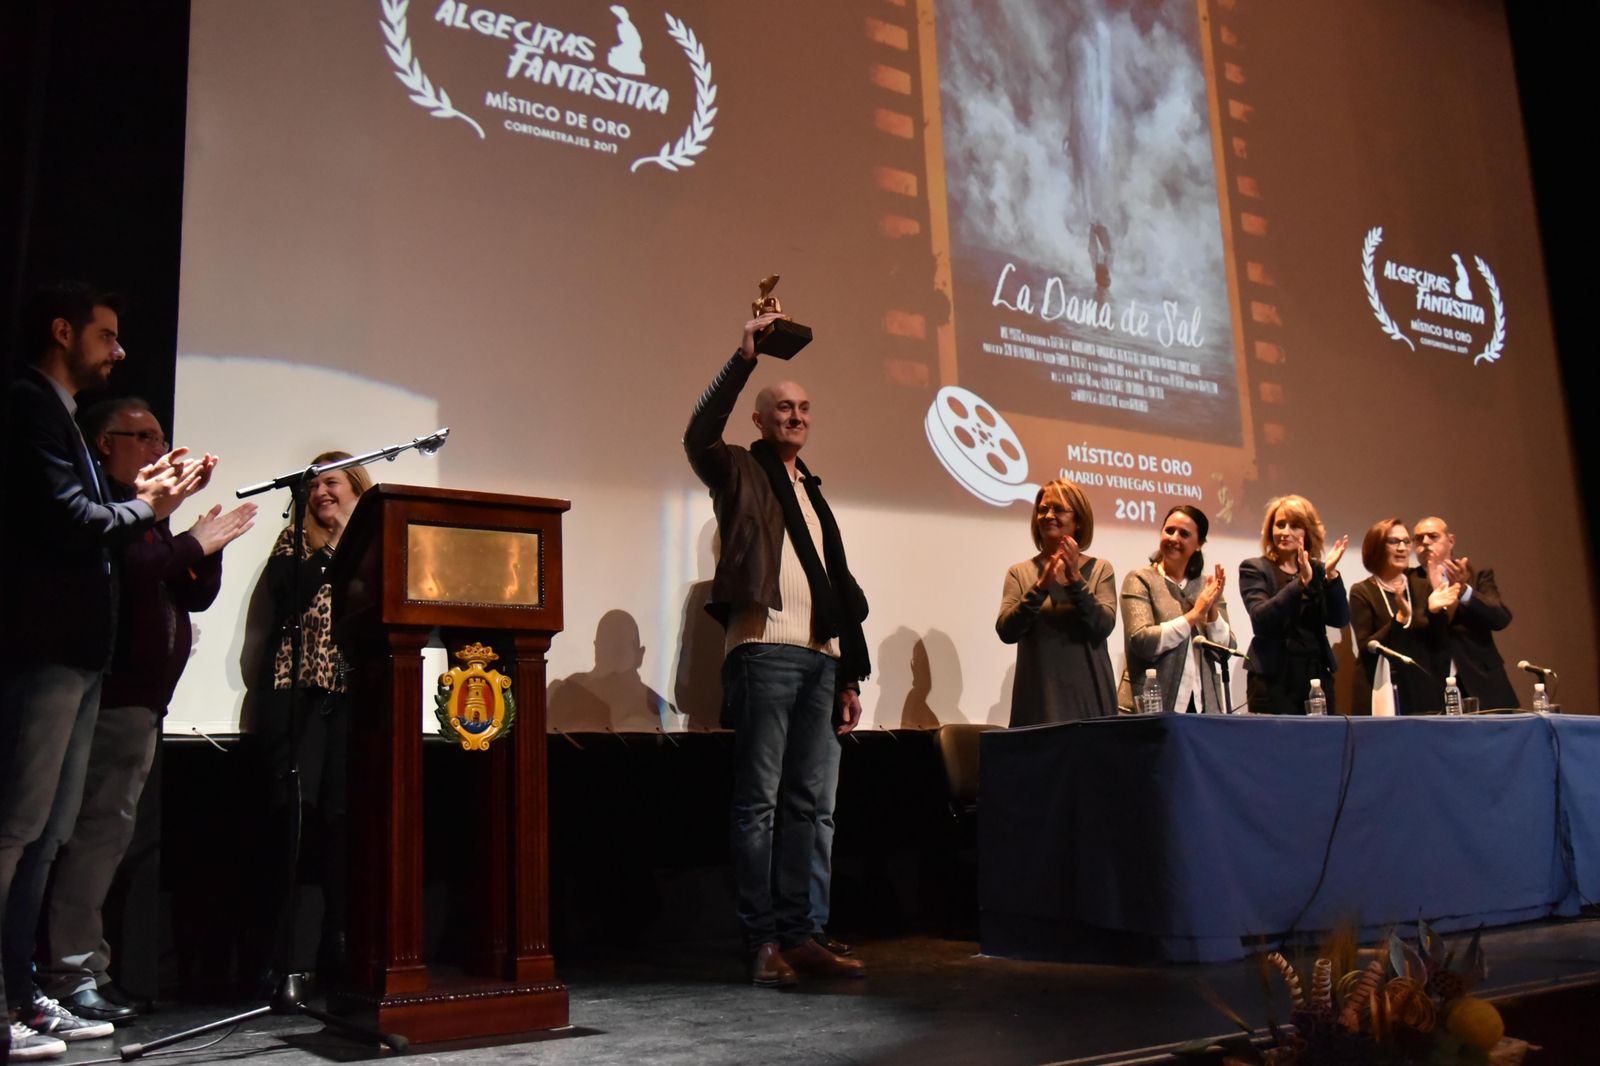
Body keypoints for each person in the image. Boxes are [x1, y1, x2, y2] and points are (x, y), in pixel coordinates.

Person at [2, 282, 208, 1058]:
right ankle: (8, 997)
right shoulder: (31, 405)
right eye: (108, 336)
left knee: (47, 835)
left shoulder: (58, 420)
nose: (120, 351)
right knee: (19, 830)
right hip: (47, 653)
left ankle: (25, 994)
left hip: (81, 662)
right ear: (63, 330)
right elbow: (75, 524)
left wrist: (157, 504)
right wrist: (155, 510)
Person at [37, 399, 255, 1024]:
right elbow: (134, 571)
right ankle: (71, 971)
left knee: (108, 841)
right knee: (88, 839)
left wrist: (203, 546)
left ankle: (86, 967)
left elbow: (196, 593)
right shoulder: (105, 508)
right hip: (110, 699)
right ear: (104, 443)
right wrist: (187, 537)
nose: (160, 448)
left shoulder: (149, 518)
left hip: (141, 706)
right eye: (143, 436)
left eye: (162, 436)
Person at [684, 311, 870, 987]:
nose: (795, 416)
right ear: (759, 420)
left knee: (812, 807)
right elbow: (698, 433)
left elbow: (833, 590)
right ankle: (764, 941)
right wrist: (743, 363)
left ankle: (804, 932)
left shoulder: (813, 494)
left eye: (804, 408)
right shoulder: (737, 470)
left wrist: (848, 672)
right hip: (764, 652)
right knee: (759, 803)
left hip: (822, 661)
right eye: (782, 408)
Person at [257, 452, 370, 983]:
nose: (321, 492)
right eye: (314, 486)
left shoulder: (377, 549)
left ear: (356, 487)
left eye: (332, 483)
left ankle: (338, 943)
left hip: (354, 696)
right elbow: (289, 596)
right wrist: (332, 547)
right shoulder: (295, 544)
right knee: (294, 818)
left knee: (342, 820)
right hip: (297, 695)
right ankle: (284, 952)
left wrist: (356, 541)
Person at [995, 478, 1117, 725]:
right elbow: (1007, 631)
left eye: (1058, 509)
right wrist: (1041, 586)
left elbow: (1103, 626)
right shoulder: (1020, 573)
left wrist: (1074, 580)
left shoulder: (1100, 569)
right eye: (1042, 509)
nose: (1048, 515)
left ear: (1078, 521)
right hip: (1039, 702)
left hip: (1090, 701)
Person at [1117, 505, 1236, 714]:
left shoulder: (1206, 585)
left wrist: (1211, 609)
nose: (1174, 538)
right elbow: (1141, 641)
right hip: (1151, 709)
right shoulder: (1140, 579)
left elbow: (1225, 652)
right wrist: (1194, 615)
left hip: (1202, 707)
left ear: (1199, 544)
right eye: (1169, 530)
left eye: (1184, 533)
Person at [1238, 495, 1351, 715]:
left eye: (1295, 526)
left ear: (1307, 532)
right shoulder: (1255, 568)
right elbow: (1261, 619)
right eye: (1280, 525)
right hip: (1273, 680)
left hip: (1316, 677)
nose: (1285, 532)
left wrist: (1330, 575)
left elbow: (1340, 618)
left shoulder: (1318, 569)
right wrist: (1301, 583)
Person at [1349, 518, 1458, 715]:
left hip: (1420, 691)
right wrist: (1398, 619)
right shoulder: (1362, 591)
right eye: (1394, 542)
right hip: (1381, 690)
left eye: (1406, 542)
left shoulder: (1422, 586)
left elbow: (1440, 646)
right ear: (1376, 548)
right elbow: (1367, 647)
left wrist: (1435, 612)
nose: (1402, 548)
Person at [1412, 516, 1518, 710]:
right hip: (1434, 683)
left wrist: (1464, 591)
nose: (1425, 542)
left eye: (1432, 536)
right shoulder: (1408, 582)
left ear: (1451, 540)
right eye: (1419, 539)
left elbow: (1501, 618)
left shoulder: (1477, 576)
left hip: (1483, 682)